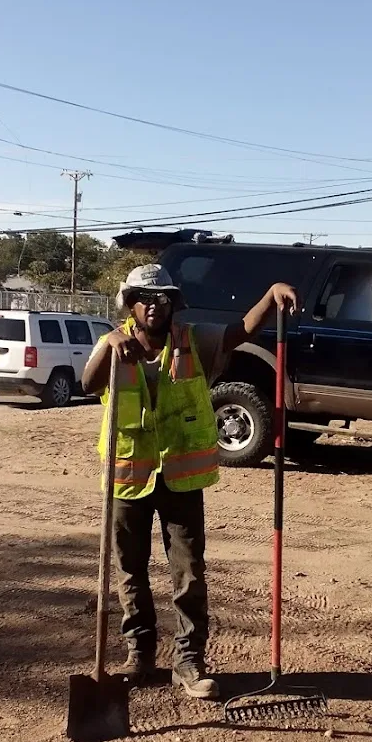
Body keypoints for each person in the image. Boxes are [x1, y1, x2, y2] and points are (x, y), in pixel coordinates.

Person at [81, 264, 297, 699]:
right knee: (130, 570)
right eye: (144, 298)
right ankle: (139, 654)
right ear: (130, 303)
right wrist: (107, 343)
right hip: (128, 477)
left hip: (180, 478)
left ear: (173, 303)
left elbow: (239, 331)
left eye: (162, 298)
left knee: (189, 573)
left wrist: (270, 293)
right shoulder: (114, 343)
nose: (153, 306)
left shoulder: (192, 341)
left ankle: (188, 662)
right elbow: (88, 384)